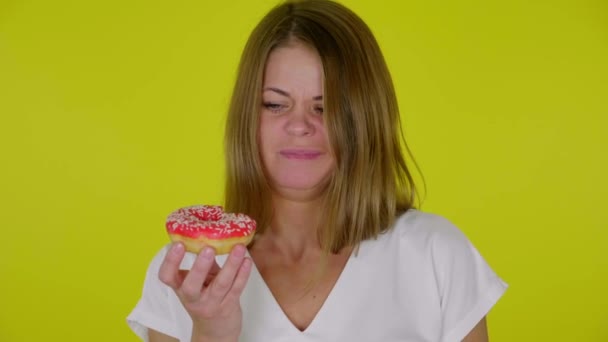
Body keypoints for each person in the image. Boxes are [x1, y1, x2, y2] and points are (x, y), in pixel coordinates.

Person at [127, 0, 508, 341]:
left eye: (325, 107)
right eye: (275, 105)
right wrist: (211, 333)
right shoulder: (186, 273)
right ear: (247, 115)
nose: (299, 125)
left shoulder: (437, 256)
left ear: (364, 118)